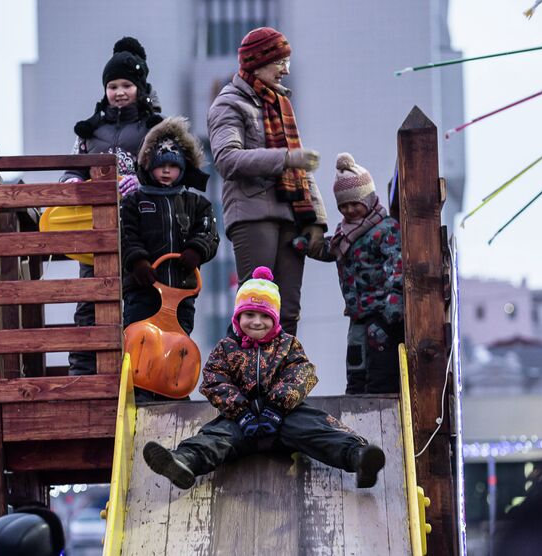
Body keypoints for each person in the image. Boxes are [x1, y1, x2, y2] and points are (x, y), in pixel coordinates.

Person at [142, 266, 386, 489]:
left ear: (275, 319)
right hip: (242, 422)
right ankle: (183, 461)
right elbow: (214, 380)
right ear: (238, 318)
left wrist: (276, 407)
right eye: (249, 315)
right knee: (216, 437)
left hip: (284, 419)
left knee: (316, 427)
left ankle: (359, 457)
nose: (257, 322)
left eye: (265, 316)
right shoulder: (227, 348)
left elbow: (301, 374)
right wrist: (241, 411)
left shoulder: (288, 345)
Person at [207, 27, 328, 336]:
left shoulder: (280, 103)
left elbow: (302, 165)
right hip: (252, 213)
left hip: (291, 213)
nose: (286, 70)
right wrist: (285, 159)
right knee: (256, 307)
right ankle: (251, 380)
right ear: (257, 62)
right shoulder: (228, 103)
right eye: (280, 62)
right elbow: (227, 159)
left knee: (288, 311)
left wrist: (316, 219)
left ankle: (285, 382)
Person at [61, 36, 162, 375]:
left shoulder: (153, 127)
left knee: (137, 298)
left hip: (138, 228)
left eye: (127, 85)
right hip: (96, 228)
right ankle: (84, 373)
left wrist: (142, 182)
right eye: (113, 85)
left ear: (140, 88)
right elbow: (74, 166)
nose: (119, 92)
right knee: (91, 298)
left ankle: (142, 373)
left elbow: (168, 170)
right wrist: (72, 182)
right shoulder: (91, 131)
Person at [121, 116, 219, 400]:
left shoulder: (196, 203)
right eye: (161, 165)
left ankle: (172, 391)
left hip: (180, 292)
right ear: (149, 167)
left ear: (183, 168)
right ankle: (139, 393)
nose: (166, 171)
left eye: (173, 166)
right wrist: (137, 261)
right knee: (140, 341)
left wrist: (196, 250)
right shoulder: (135, 202)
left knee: (177, 342)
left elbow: (209, 231)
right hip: (143, 289)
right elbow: (126, 234)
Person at [308, 154, 404, 394]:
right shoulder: (345, 234)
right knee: (356, 359)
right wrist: (304, 245)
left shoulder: (385, 228)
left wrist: (395, 298)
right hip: (357, 313)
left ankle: (379, 397)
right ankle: (355, 397)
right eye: (343, 205)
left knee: (380, 361)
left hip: (381, 312)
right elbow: (330, 250)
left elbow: (397, 261)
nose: (349, 209)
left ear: (369, 198)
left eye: (355, 203)